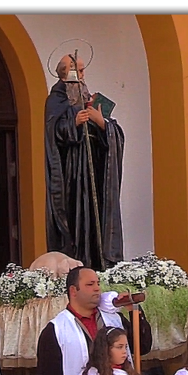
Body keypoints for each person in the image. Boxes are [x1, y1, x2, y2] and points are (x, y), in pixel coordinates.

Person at [44, 53, 125, 270]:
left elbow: (115, 134)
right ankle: (78, 265)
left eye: (82, 70)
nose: (82, 75)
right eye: (77, 70)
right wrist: (74, 123)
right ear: (65, 73)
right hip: (71, 173)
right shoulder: (56, 100)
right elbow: (53, 133)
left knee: (96, 218)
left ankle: (100, 264)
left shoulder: (89, 98)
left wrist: (102, 123)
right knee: (76, 219)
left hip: (94, 171)